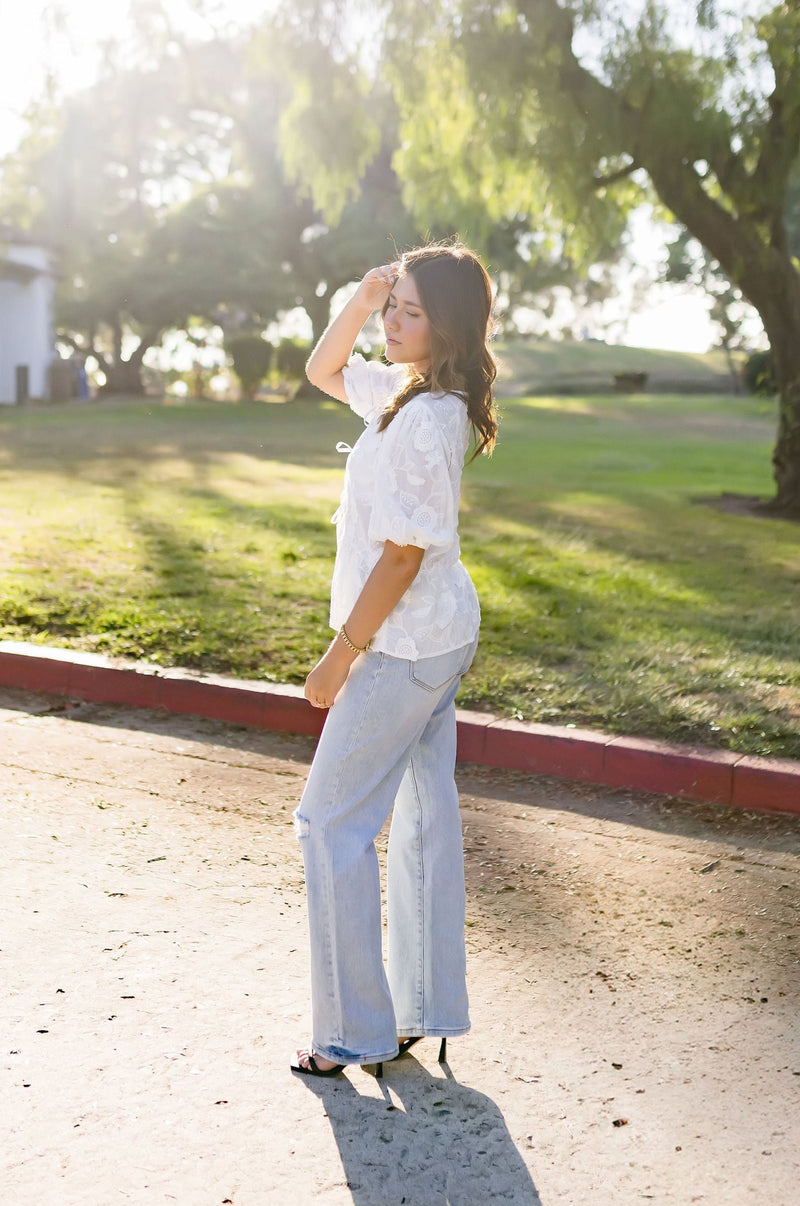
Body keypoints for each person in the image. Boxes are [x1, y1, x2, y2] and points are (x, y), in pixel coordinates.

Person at [290, 241, 497, 1079]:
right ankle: (419, 1009)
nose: (391, 319)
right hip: (437, 636)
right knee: (418, 816)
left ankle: (353, 1032)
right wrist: (365, 291)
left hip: (402, 646)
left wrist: (341, 658)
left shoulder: (427, 418)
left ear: (446, 328)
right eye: (393, 304)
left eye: (411, 309)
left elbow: (403, 557)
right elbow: (322, 368)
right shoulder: (412, 390)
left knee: (327, 821)